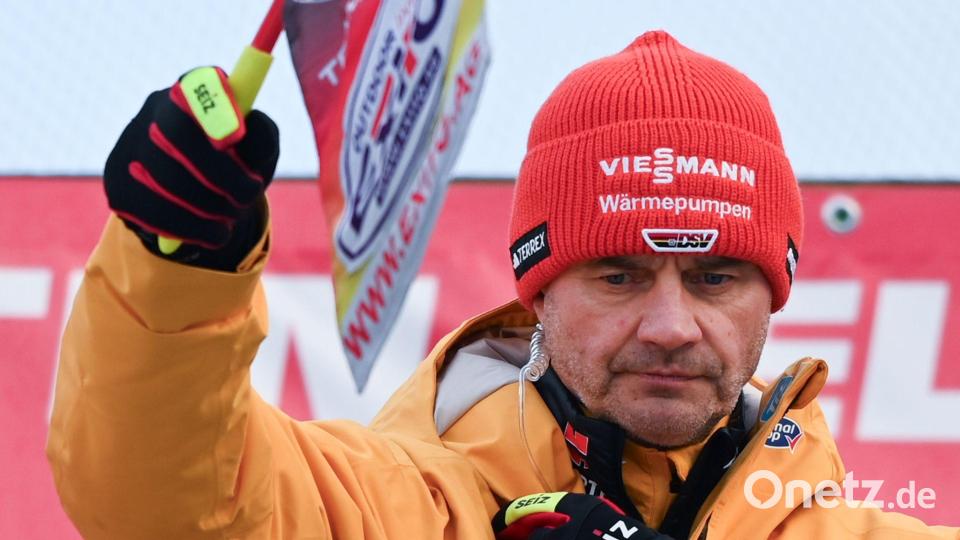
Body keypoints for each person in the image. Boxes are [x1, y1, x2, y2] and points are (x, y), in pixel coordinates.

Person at [46, 31, 958, 539]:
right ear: (537, 292)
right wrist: (181, 267)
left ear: (776, 293)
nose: (671, 325)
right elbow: (163, 503)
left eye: (715, 277)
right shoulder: (405, 508)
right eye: (620, 275)